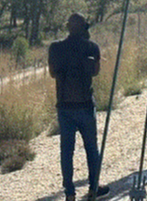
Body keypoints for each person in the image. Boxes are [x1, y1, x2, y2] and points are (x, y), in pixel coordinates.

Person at [49, 13, 109, 201]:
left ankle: (69, 192)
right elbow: (96, 72)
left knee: (67, 151)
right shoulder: (91, 47)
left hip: (64, 106)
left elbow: (52, 73)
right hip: (85, 105)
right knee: (92, 148)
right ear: (84, 28)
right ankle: (93, 188)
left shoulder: (56, 48)